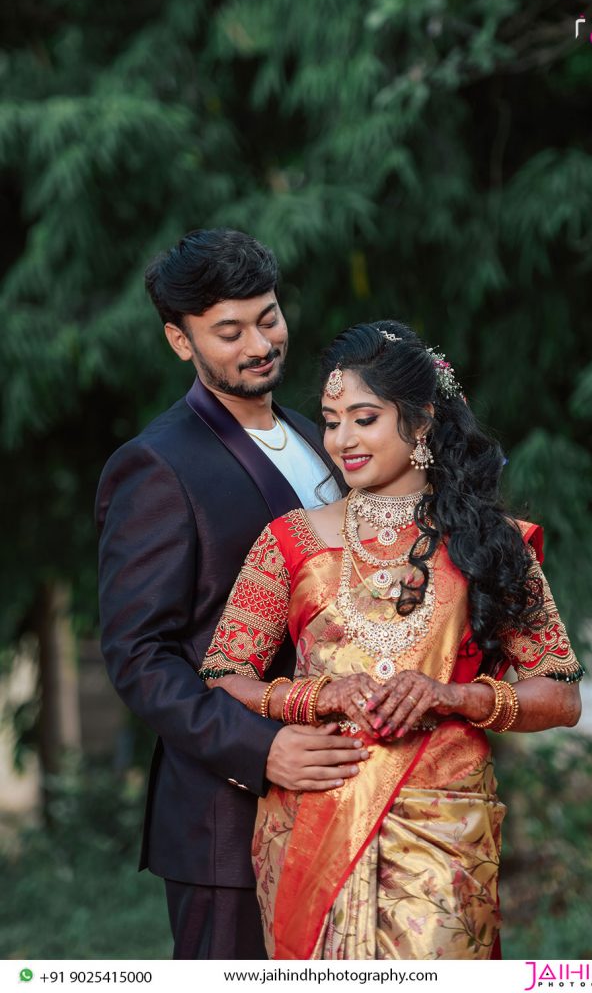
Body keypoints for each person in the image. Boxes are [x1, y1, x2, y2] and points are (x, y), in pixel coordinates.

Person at [198, 320, 584, 960]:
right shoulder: (291, 541)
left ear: (422, 421)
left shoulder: (492, 543)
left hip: (442, 831)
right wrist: (312, 697)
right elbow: (222, 674)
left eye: (364, 418)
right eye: (330, 420)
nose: (342, 439)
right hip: (310, 818)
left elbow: (562, 695)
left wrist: (452, 696)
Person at [95, 228, 369, 961]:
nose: (259, 343)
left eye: (268, 317)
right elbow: (138, 655)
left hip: (347, 803)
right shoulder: (156, 465)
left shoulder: (321, 438)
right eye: (228, 331)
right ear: (180, 342)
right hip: (225, 821)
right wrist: (262, 749)